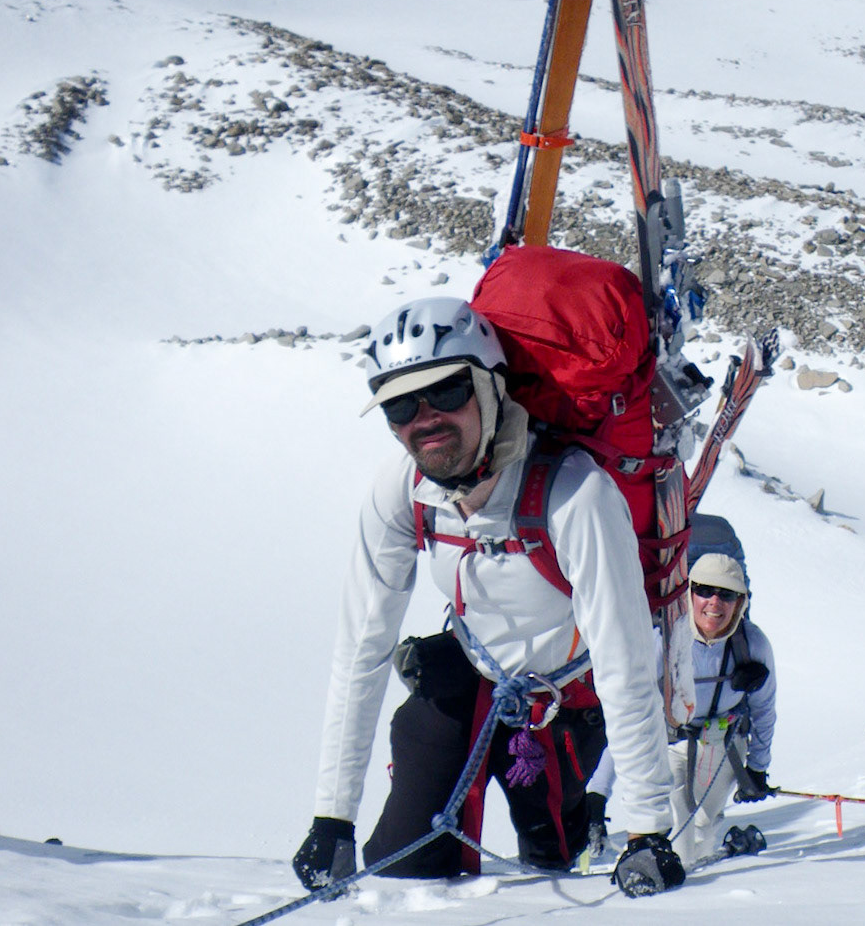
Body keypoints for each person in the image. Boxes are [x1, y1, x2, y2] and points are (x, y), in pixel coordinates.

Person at [291, 296, 685, 897]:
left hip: (567, 705)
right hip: (473, 677)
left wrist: (648, 831)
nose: (424, 418)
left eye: (447, 391)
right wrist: (331, 817)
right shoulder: (402, 489)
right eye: (399, 404)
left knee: (555, 862)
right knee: (405, 868)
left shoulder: (574, 492)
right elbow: (362, 646)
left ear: (492, 386)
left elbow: (624, 659)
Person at [586, 551, 777, 867]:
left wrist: (757, 768)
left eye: (726, 594)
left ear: (740, 602)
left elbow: (764, 710)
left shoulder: (753, 646)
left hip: (724, 747)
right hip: (671, 744)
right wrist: (598, 790)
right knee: (680, 831)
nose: (714, 602)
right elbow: (629, 715)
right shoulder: (664, 642)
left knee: (704, 828)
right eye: (704, 590)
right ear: (689, 594)